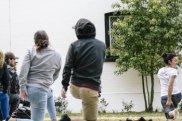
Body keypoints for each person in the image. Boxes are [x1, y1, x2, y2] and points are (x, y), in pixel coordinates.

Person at [61, 18, 106, 121]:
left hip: (74, 87)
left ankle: (67, 119)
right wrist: (97, 86)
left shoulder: (73, 45)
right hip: (90, 88)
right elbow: (98, 67)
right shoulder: (101, 45)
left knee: (86, 109)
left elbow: (67, 66)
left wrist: (64, 86)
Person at [19, 30, 61, 121]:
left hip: (28, 91)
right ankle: (13, 120)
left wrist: (22, 87)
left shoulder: (30, 51)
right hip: (40, 92)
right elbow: (56, 73)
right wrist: (48, 82)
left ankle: (54, 119)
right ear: (48, 39)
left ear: (35, 41)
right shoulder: (57, 54)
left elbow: (23, 71)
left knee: (49, 93)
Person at [157, 53, 182, 120]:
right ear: (169, 61)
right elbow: (170, 85)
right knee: (171, 115)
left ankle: (173, 111)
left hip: (166, 96)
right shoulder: (174, 71)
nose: (177, 62)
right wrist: (169, 99)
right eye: (175, 60)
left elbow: (164, 84)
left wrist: (168, 99)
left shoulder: (160, 70)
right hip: (177, 95)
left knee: (169, 116)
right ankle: (175, 109)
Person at [5, 52, 20, 116]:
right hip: (7, 95)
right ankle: (11, 117)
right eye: (14, 59)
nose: (15, 62)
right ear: (10, 59)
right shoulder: (11, 71)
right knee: (16, 97)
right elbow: (15, 88)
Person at [0, 50, 10, 121]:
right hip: (1, 93)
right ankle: (5, 117)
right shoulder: (3, 65)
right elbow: (6, 79)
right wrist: (5, 90)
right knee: (5, 97)